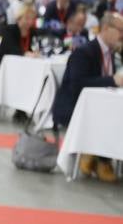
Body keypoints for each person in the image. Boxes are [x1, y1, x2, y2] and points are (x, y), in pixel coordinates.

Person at [53, 11, 123, 181]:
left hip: (100, 106)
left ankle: (99, 156)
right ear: (105, 28)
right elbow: (78, 84)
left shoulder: (111, 53)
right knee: (111, 117)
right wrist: (112, 80)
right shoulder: (84, 52)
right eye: (120, 30)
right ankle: (101, 159)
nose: (122, 35)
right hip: (74, 106)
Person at [0, 7, 36, 72]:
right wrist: (25, 54)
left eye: (32, 19)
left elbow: (30, 49)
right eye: (27, 18)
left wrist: (34, 53)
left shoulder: (31, 33)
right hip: (0, 67)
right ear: (19, 18)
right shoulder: (9, 30)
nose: (30, 22)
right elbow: (12, 49)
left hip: (19, 66)